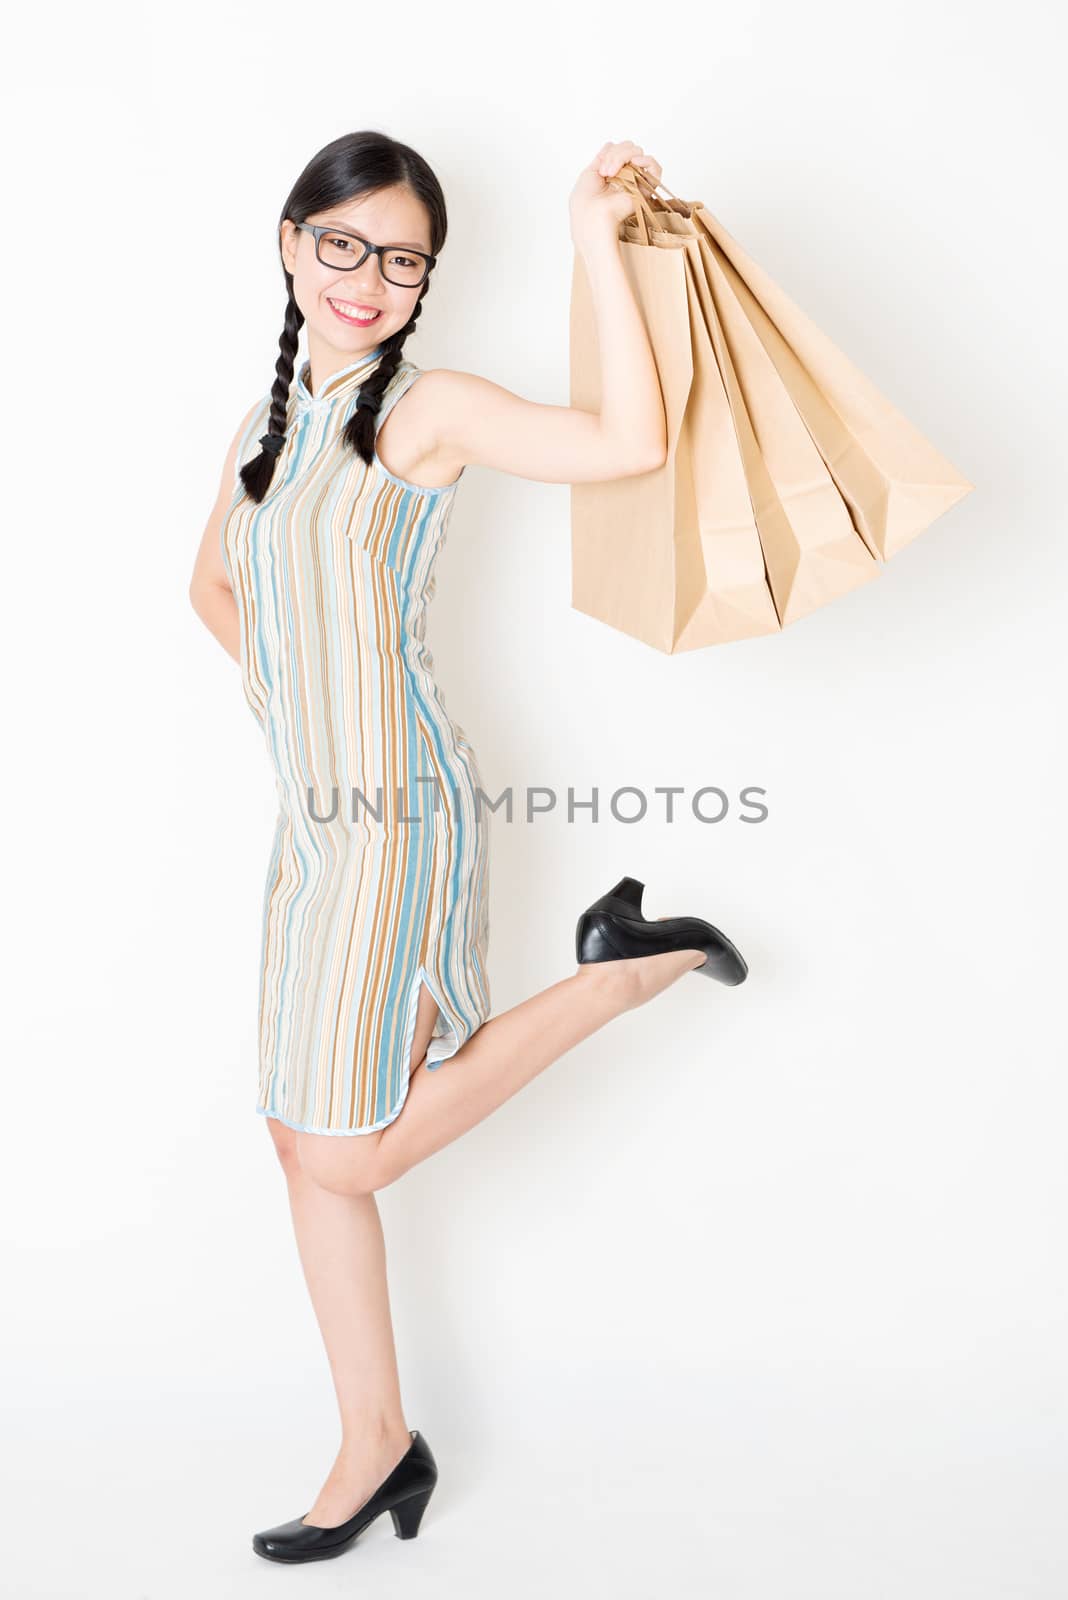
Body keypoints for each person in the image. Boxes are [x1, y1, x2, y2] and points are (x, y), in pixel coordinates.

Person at [189, 130, 747, 1565]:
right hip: (313, 817)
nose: (369, 278)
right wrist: (292, 707)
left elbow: (630, 443)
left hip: (397, 817)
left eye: (402, 256)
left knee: (350, 1155)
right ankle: (376, 1443)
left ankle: (627, 970)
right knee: (297, 1142)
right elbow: (211, 584)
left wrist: (593, 239)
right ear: (289, 239)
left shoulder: (419, 412)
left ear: (427, 278)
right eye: (344, 244)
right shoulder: (270, 423)